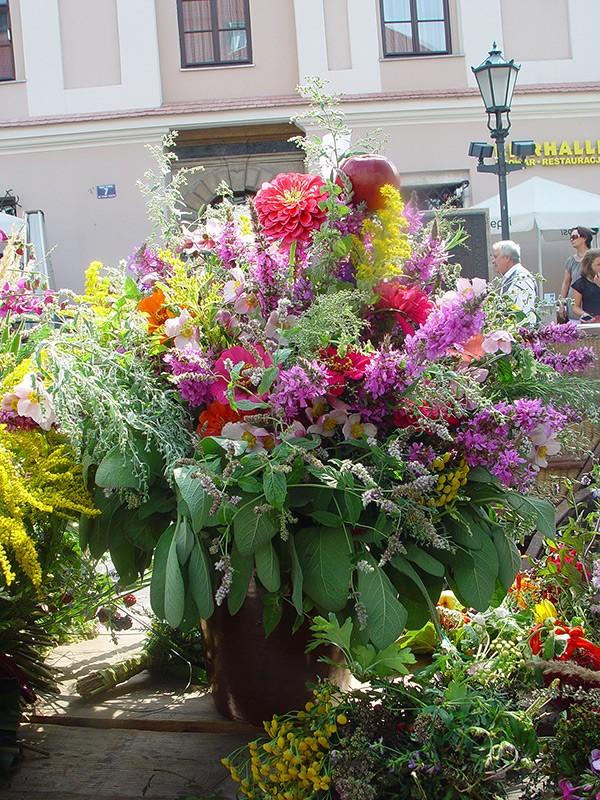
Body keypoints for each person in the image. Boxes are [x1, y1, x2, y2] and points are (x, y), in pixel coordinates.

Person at [492, 240, 537, 322]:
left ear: (507, 258)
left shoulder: (521, 278)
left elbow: (524, 315)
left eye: (495, 257)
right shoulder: (509, 278)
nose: (493, 261)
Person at [560, 226, 593, 300]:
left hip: (591, 300)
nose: (572, 240)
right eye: (570, 238)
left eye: (574, 237)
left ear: (584, 238)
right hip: (574, 300)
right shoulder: (570, 260)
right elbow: (566, 283)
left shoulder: (594, 258)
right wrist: (561, 302)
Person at [571, 248, 600, 322]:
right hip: (592, 323)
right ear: (589, 266)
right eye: (599, 264)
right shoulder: (581, 284)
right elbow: (575, 306)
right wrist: (584, 314)